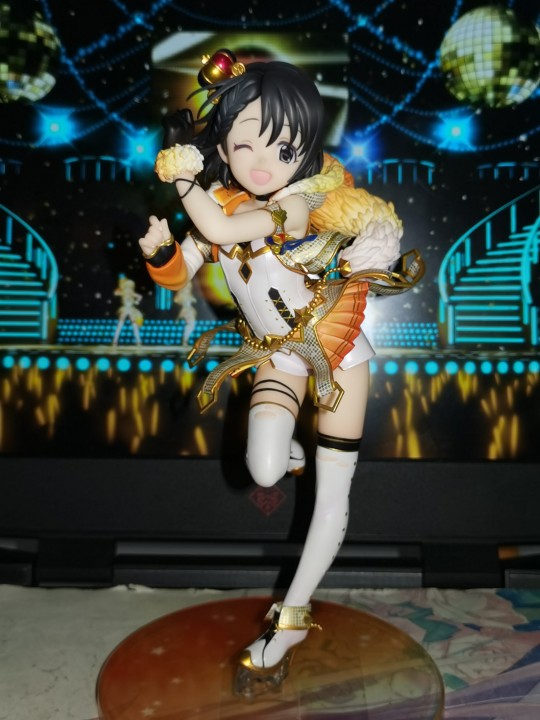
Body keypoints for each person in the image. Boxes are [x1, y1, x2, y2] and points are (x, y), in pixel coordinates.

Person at [139, 49, 422, 698]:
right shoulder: (219, 200)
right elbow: (181, 269)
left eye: (285, 148)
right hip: (277, 356)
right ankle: (292, 450)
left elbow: (220, 226)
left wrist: (183, 181)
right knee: (266, 467)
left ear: (306, 153)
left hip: (337, 353)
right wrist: (159, 252)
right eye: (245, 145)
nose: (264, 163)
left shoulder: (291, 207)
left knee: (331, 498)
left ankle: (289, 625)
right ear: (223, 146)